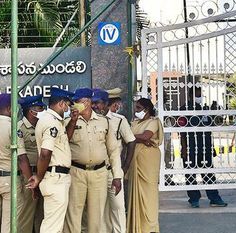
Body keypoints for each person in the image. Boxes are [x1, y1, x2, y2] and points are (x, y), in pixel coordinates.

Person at [63, 88, 122, 233]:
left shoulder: (104, 122)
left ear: (87, 102)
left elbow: (113, 151)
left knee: (97, 217)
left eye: (78, 101)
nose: (75, 104)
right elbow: (63, 143)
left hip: (99, 173)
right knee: (73, 215)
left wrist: (117, 176)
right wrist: (73, 120)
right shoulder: (67, 121)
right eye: (74, 102)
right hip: (76, 172)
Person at [0, 93, 33, 233]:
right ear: (10, 108)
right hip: (9, 180)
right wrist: (31, 183)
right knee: (9, 224)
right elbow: (22, 159)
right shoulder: (13, 128)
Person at [26, 87, 74, 233]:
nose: (68, 108)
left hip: (55, 177)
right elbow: (45, 153)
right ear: (61, 104)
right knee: (52, 227)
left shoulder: (52, 120)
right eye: (67, 104)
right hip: (55, 177)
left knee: (54, 225)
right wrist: (39, 177)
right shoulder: (51, 122)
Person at [92, 88, 136, 233]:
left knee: (117, 207)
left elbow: (131, 141)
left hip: (113, 171)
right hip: (96, 171)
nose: (94, 106)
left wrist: (125, 167)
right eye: (92, 103)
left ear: (106, 104)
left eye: (97, 103)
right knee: (99, 210)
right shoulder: (90, 119)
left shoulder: (119, 120)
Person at [180, 87, 227, 208]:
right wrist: (184, 148)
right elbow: (181, 131)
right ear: (190, 96)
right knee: (190, 174)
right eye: (197, 95)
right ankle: (194, 198)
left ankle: (214, 198)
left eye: (201, 95)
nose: (200, 97)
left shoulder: (205, 109)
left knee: (208, 173)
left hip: (205, 147)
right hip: (191, 147)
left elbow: (210, 127)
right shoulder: (185, 109)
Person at [127, 98, 163, 233]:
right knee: (135, 191)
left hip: (149, 161)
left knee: (149, 192)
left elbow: (146, 135)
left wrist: (132, 136)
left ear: (146, 110)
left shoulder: (153, 122)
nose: (135, 111)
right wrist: (138, 138)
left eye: (138, 108)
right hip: (135, 160)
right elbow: (140, 137)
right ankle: (138, 228)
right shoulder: (135, 122)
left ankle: (150, 227)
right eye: (135, 107)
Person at [18, 95, 46, 233]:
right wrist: (31, 183)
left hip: (42, 174)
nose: (42, 110)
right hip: (28, 176)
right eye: (40, 108)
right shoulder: (19, 128)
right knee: (27, 215)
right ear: (31, 110)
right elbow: (22, 158)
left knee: (42, 215)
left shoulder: (42, 125)